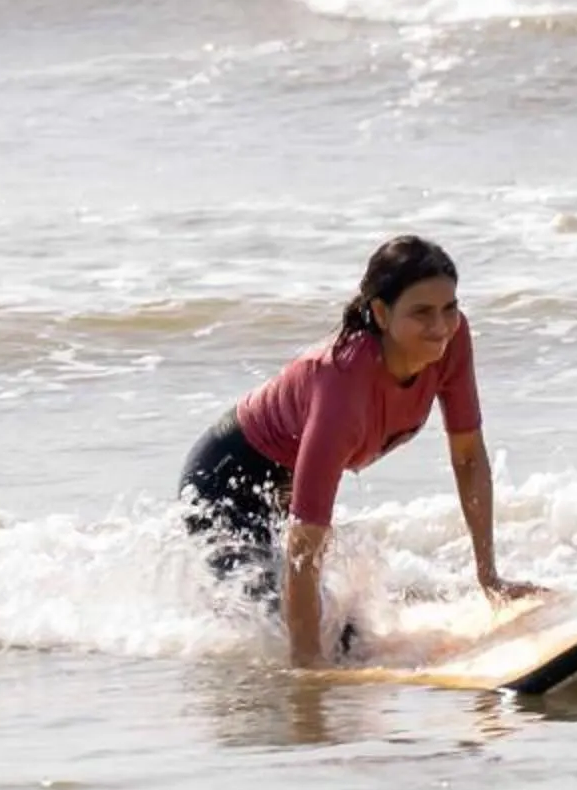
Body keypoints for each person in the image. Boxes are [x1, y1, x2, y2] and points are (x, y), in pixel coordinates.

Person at [179, 235, 535, 664]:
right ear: (381, 313)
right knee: (318, 638)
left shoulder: (451, 342)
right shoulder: (341, 387)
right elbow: (304, 546)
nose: (441, 327)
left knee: (345, 632)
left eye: (449, 308)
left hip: (286, 479)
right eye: (421, 312)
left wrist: (489, 578)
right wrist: (309, 673)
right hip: (224, 482)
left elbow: (468, 457)